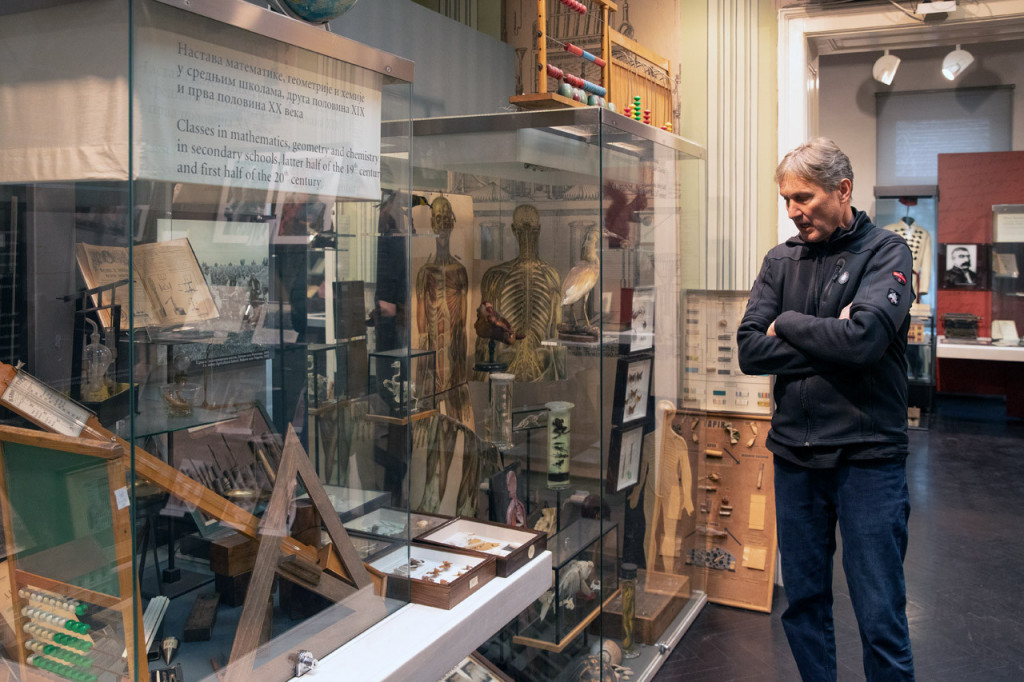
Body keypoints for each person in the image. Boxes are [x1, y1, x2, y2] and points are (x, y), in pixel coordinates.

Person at [737, 138, 915, 681]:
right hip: (795, 458)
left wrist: (787, 323)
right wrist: (831, 335)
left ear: (843, 190)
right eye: (786, 199)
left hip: (868, 459)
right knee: (805, 605)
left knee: (879, 613)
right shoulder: (780, 259)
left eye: (804, 197)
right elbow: (749, 349)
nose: (793, 211)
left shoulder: (887, 252)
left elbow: (863, 341)